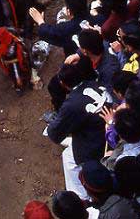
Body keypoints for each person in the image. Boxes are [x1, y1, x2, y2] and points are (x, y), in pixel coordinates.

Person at [46, 64, 110, 201]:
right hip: (111, 130)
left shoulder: (72, 103)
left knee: (69, 158)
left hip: (101, 143)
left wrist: (59, 121)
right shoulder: (95, 83)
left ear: (63, 84)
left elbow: (54, 134)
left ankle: (82, 198)